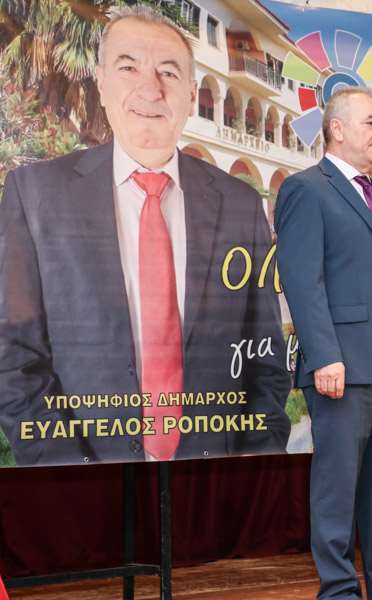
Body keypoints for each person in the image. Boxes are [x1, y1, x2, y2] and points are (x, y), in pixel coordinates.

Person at [0, 6, 290, 466]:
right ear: (101, 81)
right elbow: (13, 355)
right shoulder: (34, 195)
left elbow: (266, 359)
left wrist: (250, 467)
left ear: (191, 95)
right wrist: (73, 479)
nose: (151, 89)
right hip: (86, 481)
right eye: (128, 67)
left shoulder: (240, 204)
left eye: (168, 72)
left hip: (213, 482)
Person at [274, 86, 372, 600]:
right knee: (337, 489)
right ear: (337, 129)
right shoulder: (306, 189)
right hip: (342, 366)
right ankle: (340, 591)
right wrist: (324, 355)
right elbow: (303, 281)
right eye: (371, 123)